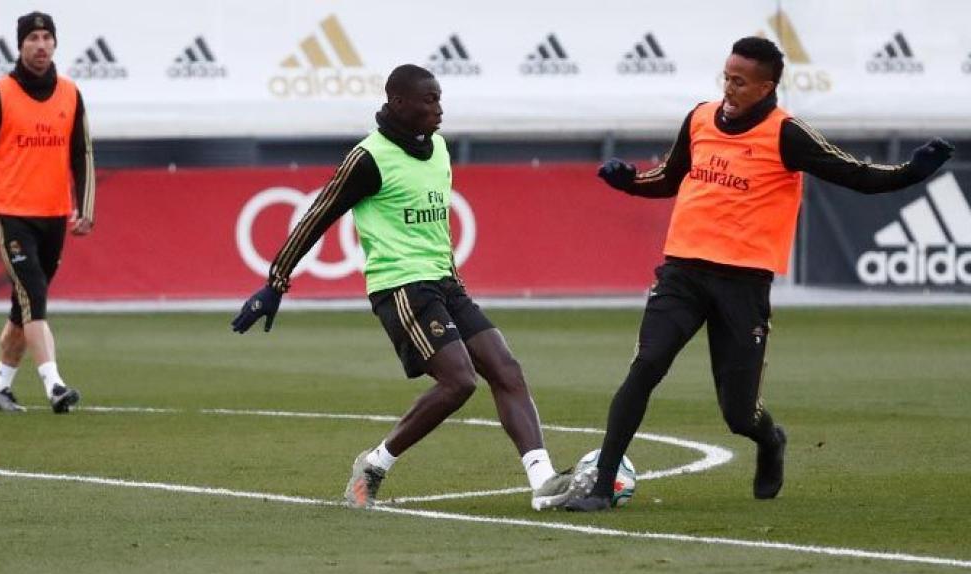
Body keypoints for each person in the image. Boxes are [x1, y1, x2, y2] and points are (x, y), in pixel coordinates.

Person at [565, 37, 954, 511]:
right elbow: (668, 177)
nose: (728, 88)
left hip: (743, 285)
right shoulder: (700, 119)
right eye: (726, 77)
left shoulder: (786, 133)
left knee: (738, 414)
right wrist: (628, 180)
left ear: (767, 87)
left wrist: (911, 173)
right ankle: (603, 486)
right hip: (682, 272)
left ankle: (770, 441)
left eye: (739, 81)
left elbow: (854, 174)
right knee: (646, 366)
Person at [232, 64, 584, 510]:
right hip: (400, 286)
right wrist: (275, 282)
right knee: (458, 381)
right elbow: (317, 215)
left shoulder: (437, 148)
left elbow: (437, 229)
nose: (439, 109)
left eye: (440, 98)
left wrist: (453, 278)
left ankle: (543, 481)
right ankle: (374, 465)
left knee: (506, 369)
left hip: (444, 283)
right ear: (398, 103)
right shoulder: (368, 157)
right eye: (429, 100)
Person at [0, 11, 96, 414]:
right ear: (19, 46)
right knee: (34, 293)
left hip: (54, 214)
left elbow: (82, 154)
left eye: (46, 37)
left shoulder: (71, 94)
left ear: (55, 44)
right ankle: (54, 384)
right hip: (10, 212)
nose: (40, 45)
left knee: (23, 306)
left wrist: (85, 208)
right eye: (32, 38)